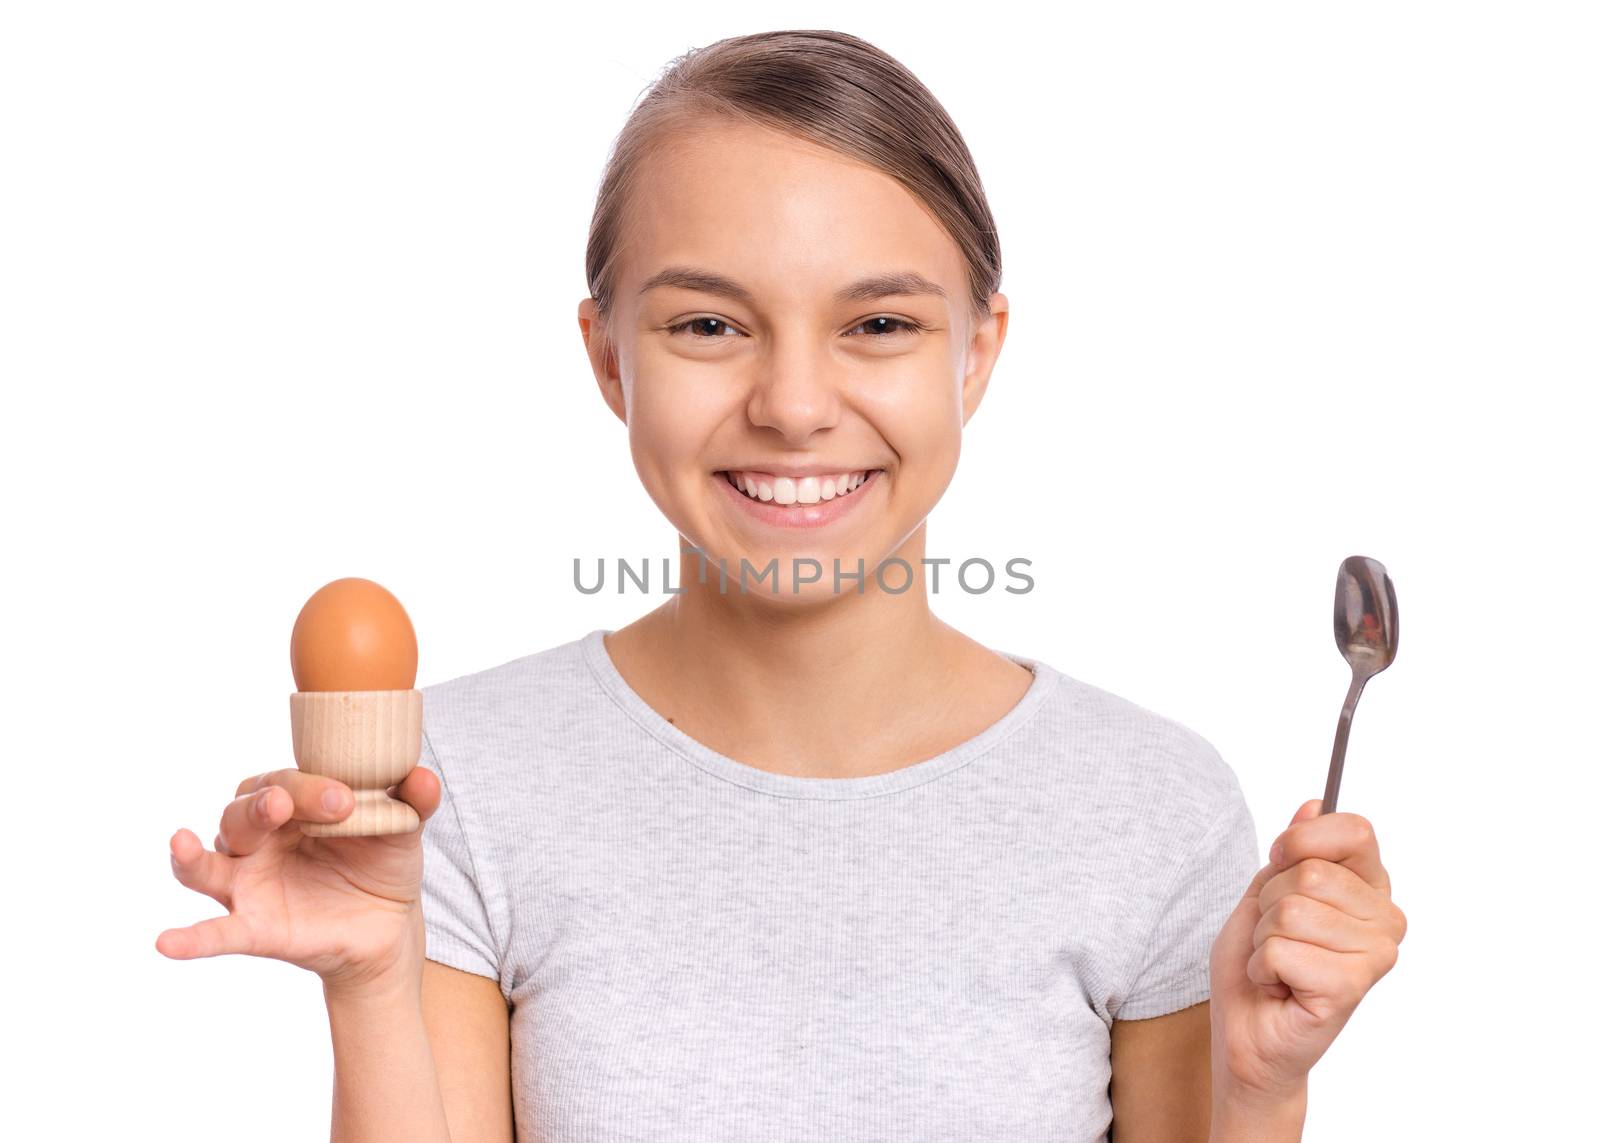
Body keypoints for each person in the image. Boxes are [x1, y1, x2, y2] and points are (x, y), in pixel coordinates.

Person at [157, 29, 1406, 1143]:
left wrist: (1260, 1095)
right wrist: (372, 982)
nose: (795, 407)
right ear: (607, 361)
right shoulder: (447, 789)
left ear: (977, 356)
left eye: (878, 327)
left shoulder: (1151, 806)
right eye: (708, 325)